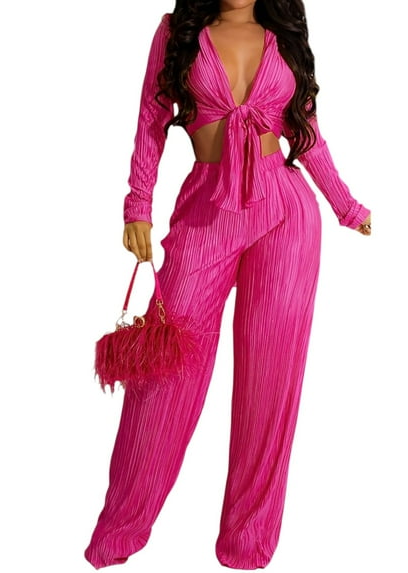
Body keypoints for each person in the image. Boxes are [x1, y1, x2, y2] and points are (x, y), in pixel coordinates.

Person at [84, 0, 371, 569]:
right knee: (163, 374)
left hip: (286, 212)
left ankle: (246, 546)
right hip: (205, 209)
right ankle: (118, 532)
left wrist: (346, 206)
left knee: (271, 384)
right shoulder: (177, 32)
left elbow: (307, 130)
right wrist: (138, 205)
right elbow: (151, 117)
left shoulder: (283, 34)